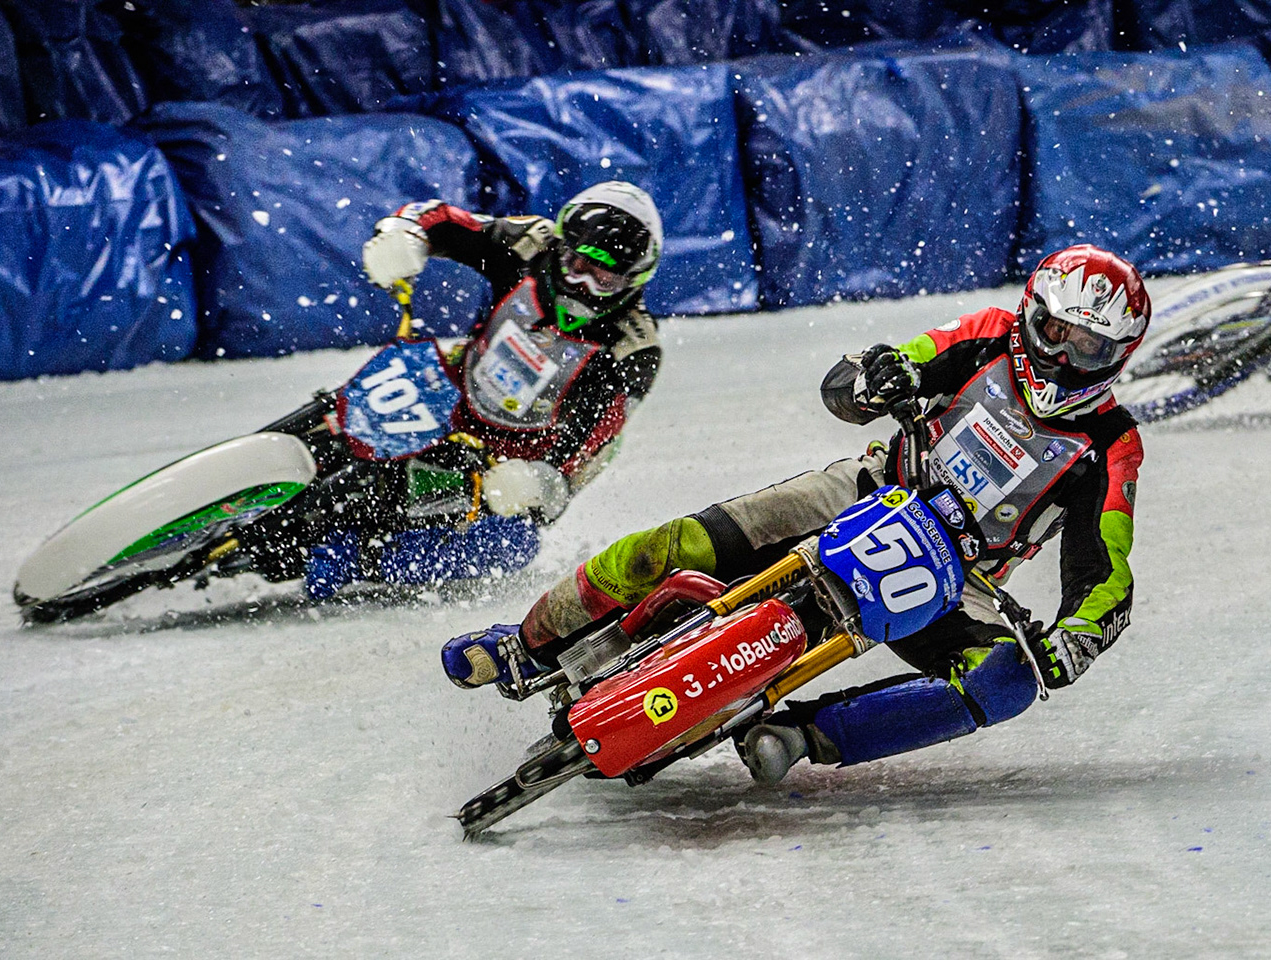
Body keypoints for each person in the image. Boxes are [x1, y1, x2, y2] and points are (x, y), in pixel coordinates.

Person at [441, 244, 1150, 785]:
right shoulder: (987, 334)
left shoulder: (1112, 446)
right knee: (676, 545)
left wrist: (1077, 635)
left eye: (1088, 347)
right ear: (1030, 314)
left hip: (954, 576)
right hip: (868, 490)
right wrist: (878, 376)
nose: (1062, 358)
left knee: (1005, 681)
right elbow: (869, 372)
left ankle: (801, 738)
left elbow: (1105, 569)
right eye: (1055, 333)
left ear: (1117, 357)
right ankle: (525, 644)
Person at [310, 181, 665, 599]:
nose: (582, 285)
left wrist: (540, 479)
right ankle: (312, 430)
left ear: (632, 282)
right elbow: (446, 222)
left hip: (505, 464)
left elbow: (592, 443)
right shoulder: (530, 243)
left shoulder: (633, 349)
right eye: (576, 264)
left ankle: (357, 556)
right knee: (358, 401)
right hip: (454, 391)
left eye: (602, 278)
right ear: (561, 246)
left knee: (513, 545)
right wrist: (404, 234)